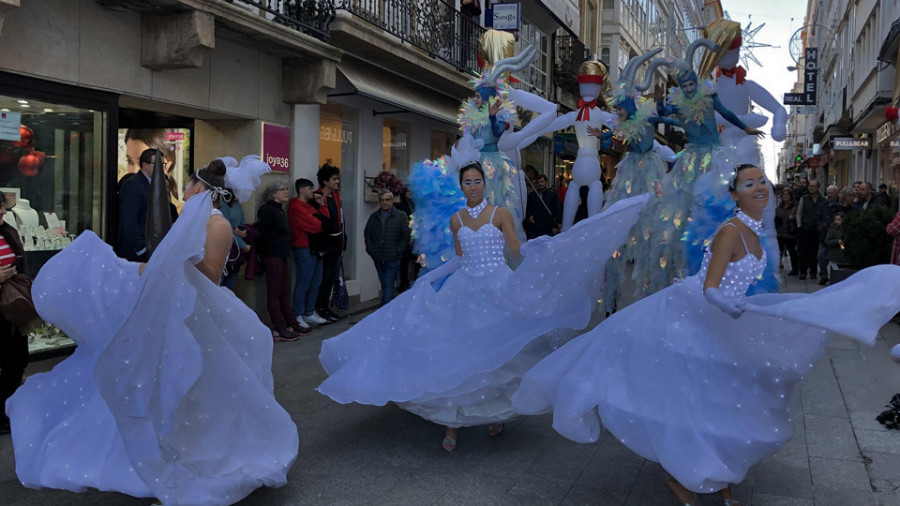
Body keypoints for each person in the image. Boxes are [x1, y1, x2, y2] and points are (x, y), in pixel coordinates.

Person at [513, 163, 900, 506]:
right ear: (735, 195)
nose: (759, 188)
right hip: (693, 316)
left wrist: (741, 307)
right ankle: (686, 473)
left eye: (762, 181)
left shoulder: (753, 230)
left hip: (723, 319)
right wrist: (727, 304)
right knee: (695, 396)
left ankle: (713, 472)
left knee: (721, 396)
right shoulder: (731, 231)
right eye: (749, 184)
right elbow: (710, 286)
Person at [6, 157, 299, 505]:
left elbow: (210, 276)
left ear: (199, 188)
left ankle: (190, 452)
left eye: (189, 184)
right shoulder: (192, 218)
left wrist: (174, 261)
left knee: (193, 383)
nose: (184, 190)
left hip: (196, 315)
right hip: (175, 308)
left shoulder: (216, 225)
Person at [318, 160, 650, 453]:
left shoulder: (500, 213)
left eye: (477, 181)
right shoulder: (456, 220)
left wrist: (542, 248)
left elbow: (515, 250)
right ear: (461, 187)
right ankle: (453, 421)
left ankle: (497, 415)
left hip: (498, 287)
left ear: (484, 185)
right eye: (467, 182)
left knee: (499, 354)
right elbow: (459, 259)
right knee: (459, 352)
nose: (473, 186)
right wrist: (430, 278)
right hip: (464, 291)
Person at [633, 39, 764, 296]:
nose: (690, 88)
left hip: (715, 156)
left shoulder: (709, 97)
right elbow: (664, 112)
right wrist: (658, 103)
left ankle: (730, 254)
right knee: (682, 205)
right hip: (691, 158)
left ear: (696, 81)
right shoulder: (680, 105)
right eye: (685, 85)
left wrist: (746, 127)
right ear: (680, 87)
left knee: (721, 200)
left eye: (692, 83)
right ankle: (688, 260)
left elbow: (726, 112)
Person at [258, 180, 309, 340]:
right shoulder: (267, 210)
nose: (286, 192)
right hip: (272, 254)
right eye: (282, 189)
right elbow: (262, 234)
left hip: (281, 254)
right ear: (273, 194)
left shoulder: (280, 211)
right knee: (274, 292)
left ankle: (291, 322)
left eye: (286, 189)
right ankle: (279, 327)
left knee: (284, 290)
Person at [0, 197, 29, 434]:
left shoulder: (8, 231)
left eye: (1, 206)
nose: (1, 211)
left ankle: (6, 409)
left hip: (11, 305)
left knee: (17, 358)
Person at [289, 178, 329, 326]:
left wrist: (322, 205)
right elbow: (316, 225)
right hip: (304, 247)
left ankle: (309, 312)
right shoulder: (296, 206)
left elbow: (325, 221)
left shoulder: (308, 206)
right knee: (304, 282)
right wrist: (322, 221)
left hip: (315, 248)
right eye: (310, 188)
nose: (313, 191)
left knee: (315, 282)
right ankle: (297, 314)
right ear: (301, 190)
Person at [364, 189, 411, 306]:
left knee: (388, 283)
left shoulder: (400, 216)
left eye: (387, 200)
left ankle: (383, 313)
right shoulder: (374, 217)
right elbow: (367, 234)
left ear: (392, 201)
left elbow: (406, 235)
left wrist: (398, 250)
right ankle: (390, 310)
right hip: (378, 257)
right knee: (385, 284)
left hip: (393, 257)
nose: (384, 202)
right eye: (382, 200)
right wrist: (371, 250)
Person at [117, 148, 160, 261]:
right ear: (145, 165)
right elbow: (129, 220)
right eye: (157, 164)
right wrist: (142, 248)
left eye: (163, 164)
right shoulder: (133, 185)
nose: (161, 168)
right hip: (136, 252)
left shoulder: (154, 185)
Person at [314, 164, 344, 322]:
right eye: (334, 179)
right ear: (325, 181)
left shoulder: (336, 198)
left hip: (336, 244)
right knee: (323, 278)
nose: (337, 181)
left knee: (331, 277)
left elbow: (340, 221)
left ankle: (325, 307)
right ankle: (318, 308)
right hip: (325, 245)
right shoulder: (317, 197)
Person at [218, 188, 249, 290]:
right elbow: (228, 228)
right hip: (229, 248)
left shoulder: (237, 206)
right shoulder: (223, 206)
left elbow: (241, 225)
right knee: (224, 285)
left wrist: (244, 232)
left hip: (235, 249)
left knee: (227, 286)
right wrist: (243, 244)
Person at [796, 179, 826, 280]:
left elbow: (824, 213)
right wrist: (799, 225)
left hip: (817, 229)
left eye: (813, 186)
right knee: (804, 251)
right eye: (810, 186)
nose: (811, 188)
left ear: (818, 188)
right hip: (805, 228)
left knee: (814, 252)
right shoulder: (804, 198)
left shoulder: (822, 200)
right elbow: (799, 213)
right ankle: (803, 271)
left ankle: (813, 271)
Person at [524, 174, 562, 239]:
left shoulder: (552, 195)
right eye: (538, 182)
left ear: (546, 183)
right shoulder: (532, 195)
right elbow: (527, 208)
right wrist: (529, 216)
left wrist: (555, 225)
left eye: (542, 182)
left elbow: (557, 210)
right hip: (535, 227)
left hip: (548, 227)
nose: (540, 184)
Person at [396, 187, 418, 292]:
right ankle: (404, 283)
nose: (410, 193)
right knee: (404, 261)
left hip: (415, 236)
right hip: (405, 236)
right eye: (408, 191)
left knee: (416, 260)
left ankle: (416, 282)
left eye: (411, 191)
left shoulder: (415, 205)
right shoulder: (400, 205)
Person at [775, 188, 799, 275]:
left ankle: (795, 269)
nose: (785, 196)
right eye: (783, 195)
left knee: (792, 251)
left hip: (790, 232)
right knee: (778, 251)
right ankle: (776, 267)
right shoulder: (779, 206)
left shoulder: (794, 206)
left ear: (791, 196)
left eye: (787, 195)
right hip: (780, 232)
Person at [824, 212, 845, 281]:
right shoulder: (832, 230)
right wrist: (837, 241)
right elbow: (827, 241)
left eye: (839, 220)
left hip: (843, 255)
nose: (837, 221)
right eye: (835, 220)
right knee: (834, 269)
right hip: (834, 254)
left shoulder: (845, 229)